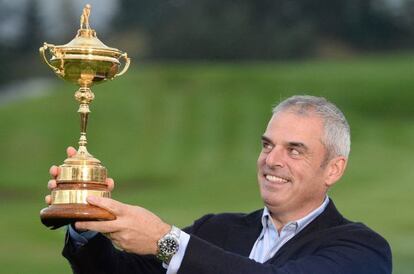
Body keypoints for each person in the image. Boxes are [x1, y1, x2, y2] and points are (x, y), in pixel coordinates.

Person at [45, 95, 392, 274]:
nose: (272, 160)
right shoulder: (216, 230)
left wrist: (166, 241)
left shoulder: (362, 251)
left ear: (333, 169)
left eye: (294, 150)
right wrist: (87, 217)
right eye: (268, 145)